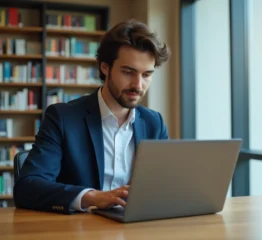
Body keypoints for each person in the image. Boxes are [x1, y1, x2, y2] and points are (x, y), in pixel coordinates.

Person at [13, 19, 170, 214]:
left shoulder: (154, 123)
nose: (138, 85)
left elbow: (165, 186)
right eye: (128, 72)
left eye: (146, 75)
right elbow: (27, 187)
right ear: (105, 68)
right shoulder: (63, 118)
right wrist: (92, 197)